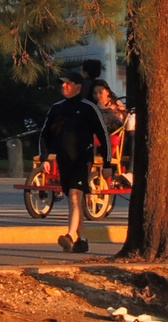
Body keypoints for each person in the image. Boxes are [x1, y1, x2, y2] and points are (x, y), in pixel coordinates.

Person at [39, 70, 109, 254]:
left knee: (75, 196)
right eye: (62, 83)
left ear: (78, 87)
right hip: (64, 160)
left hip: (82, 159)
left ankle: (69, 235)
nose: (64, 86)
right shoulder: (57, 108)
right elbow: (45, 135)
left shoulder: (89, 108)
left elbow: (103, 135)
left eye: (68, 83)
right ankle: (82, 240)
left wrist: (107, 163)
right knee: (74, 200)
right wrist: (45, 158)